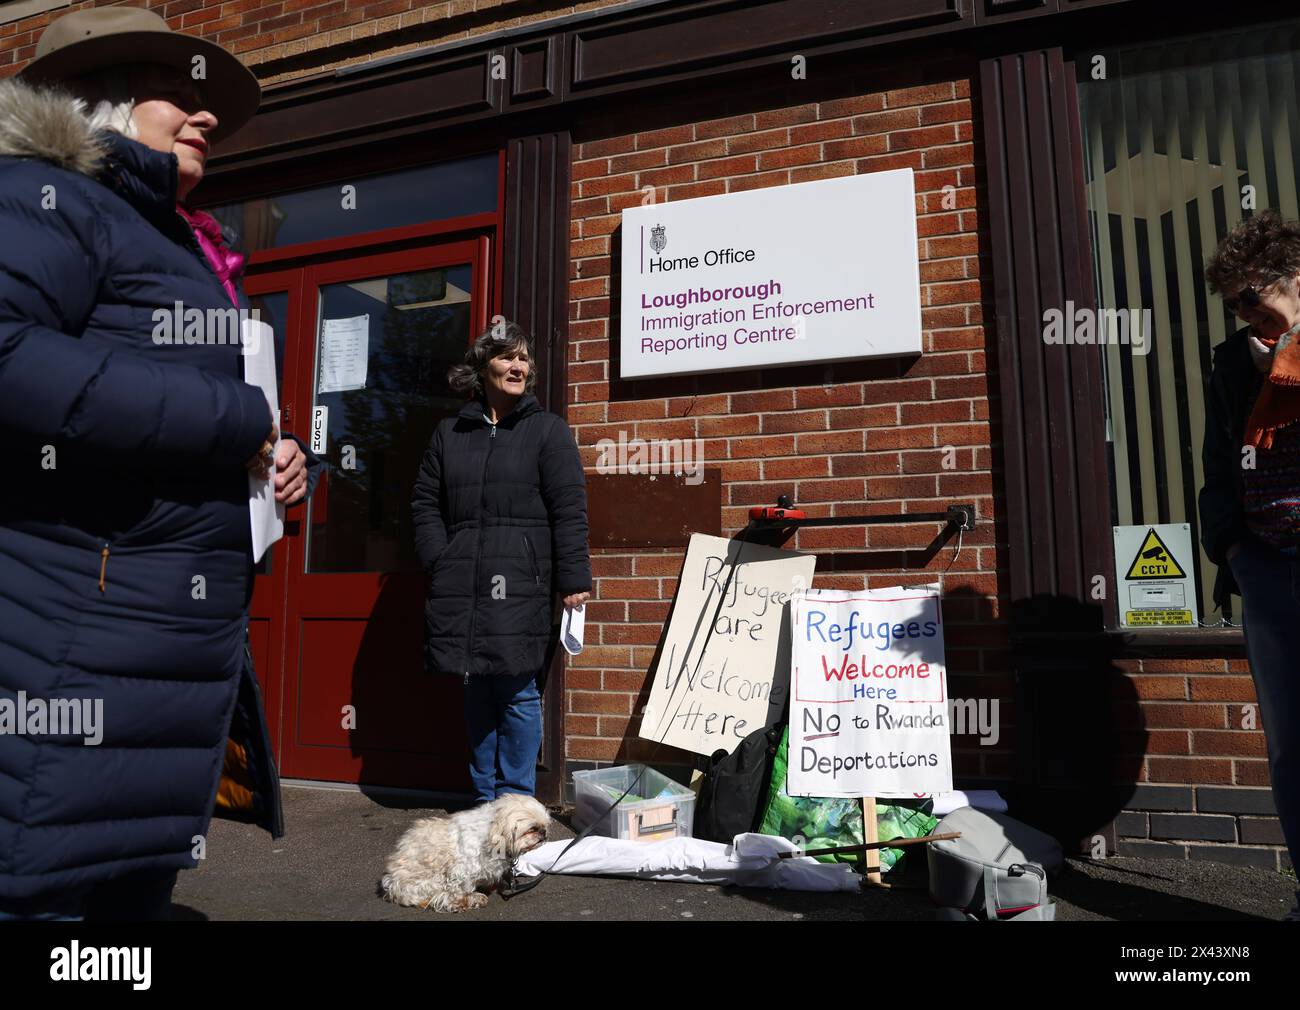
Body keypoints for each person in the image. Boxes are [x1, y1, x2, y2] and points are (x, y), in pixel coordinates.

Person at [0, 8, 321, 919]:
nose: (206, 115)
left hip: (150, 664)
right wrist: (235, 422)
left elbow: (179, 413)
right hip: (68, 655)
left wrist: (279, 456)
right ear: (94, 98)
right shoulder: (39, 195)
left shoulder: (178, 241)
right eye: (177, 93)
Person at [412, 322, 591, 802]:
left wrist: (573, 578)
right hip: (462, 582)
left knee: (516, 692)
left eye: (523, 359)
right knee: (476, 690)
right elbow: (425, 503)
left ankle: (514, 803)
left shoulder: (547, 430)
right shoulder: (450, 433)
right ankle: (483, 802)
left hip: (521, 584)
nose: (517, 367)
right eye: (507, 357)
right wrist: (441, 559)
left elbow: (569, 508)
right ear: (482, 367)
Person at [1201, 209, 1300, 921]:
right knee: (1290, 743)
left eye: (1252, 297)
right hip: (1266, 564)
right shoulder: (1235, 361)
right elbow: (1218, 459)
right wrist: (1231, 546)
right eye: (1235, 304)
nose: (1245, 315)